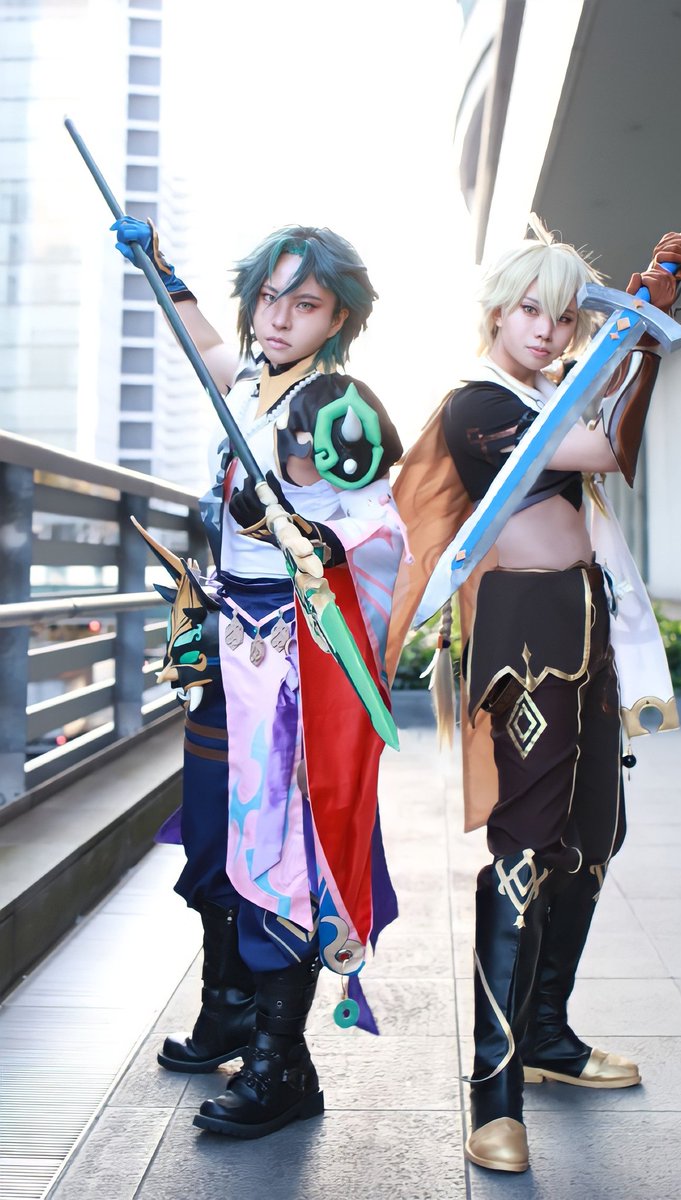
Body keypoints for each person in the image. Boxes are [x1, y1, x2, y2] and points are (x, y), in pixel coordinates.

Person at [387, 216, 681, 1173]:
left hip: (588, 620)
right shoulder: (476, 405)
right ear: (496, 312)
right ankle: (496, 1094)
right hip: (523, 635)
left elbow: (608, 435)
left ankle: (549, 1037)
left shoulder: (549, 394)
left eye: (565, 318)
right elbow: (602, 452)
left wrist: (636, 343)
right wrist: (637, 343)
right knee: (524, 846)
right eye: (532, 310)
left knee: (593, 835)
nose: (549, 330)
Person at [112, 217, 406, 1139]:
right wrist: (160, 267)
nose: (279, 317)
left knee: (277, 853)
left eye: (304, 303)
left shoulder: (337, 404)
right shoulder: (248, 379)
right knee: (211, 836)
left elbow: (382, 525)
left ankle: (284, 1064)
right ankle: (229, 1010)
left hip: (288, 660)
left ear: (338, 317)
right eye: (269, 297)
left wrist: (314, 534)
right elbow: (204, 341)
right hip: (225, 642)